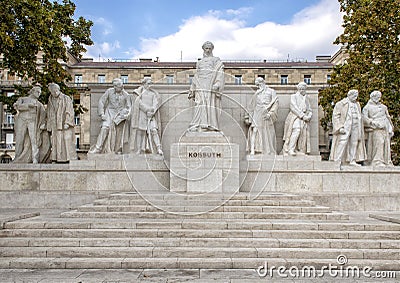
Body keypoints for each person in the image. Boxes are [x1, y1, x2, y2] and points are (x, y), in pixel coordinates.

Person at [188, 41, 224, 132]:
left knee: (210, 104)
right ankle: (197, 124)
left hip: (210, 83)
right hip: (200, 84)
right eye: (206, 48)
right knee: (199, 103)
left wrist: (217, 84)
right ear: (203, 49)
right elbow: (196, 75)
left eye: (209, 48)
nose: (208, 50)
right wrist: (192, 88)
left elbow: (220, 72)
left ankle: (210, 125)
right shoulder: (199, 62)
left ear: (212, 49)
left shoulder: (216, 60)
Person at [89, 78, 131, 154]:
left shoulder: (126, 95)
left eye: (116, 86)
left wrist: (126, 115)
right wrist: (102, 113)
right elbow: (101, 101)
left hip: (119, 115)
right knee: (104, 128)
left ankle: (117, 149)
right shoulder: (109, 91)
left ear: (121, 86)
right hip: (109, 113)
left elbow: (129, 107)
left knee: (119, 132)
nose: (114, 87)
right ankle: (98, 148)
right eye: (114, 86)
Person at [13, 86, 50, 163]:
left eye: (40, 93)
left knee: (34, 139)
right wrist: (28, 106)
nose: (39, 94)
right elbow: (17, 106)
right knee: (20, 139)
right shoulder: (22, 99)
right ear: (33, 91)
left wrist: (43, 123)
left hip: (32, 121)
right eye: (37, 92)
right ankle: (17, 157)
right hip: (22, 120)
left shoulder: (39, 104)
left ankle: (35, 158)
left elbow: (43, 114)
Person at [329, 89, 366, 166]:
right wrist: (339, 127)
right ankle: (337, 159)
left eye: (356, 96)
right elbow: (335, 116)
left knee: (354, 143)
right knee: (342, 142)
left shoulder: (357, 105)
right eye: (354, 96)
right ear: (349, 95)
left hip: (356, 126)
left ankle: (352, 160)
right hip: (345, 127)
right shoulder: (341, 103)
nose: (355, 98)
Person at [245, 77, 279, 155]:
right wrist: (247, 116)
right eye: (257, 85)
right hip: (257, 112)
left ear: (262, 83)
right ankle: (253, 149)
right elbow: (251, 105)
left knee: (266, 132)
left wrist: (270, 113)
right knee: (255, 130)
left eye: (258, 85)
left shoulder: (271, 91)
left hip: (266, 113)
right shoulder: (257, 93)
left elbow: (275, 103)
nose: (258, 87)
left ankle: (265, 149)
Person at [130, 77, 163, 155]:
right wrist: (147, 109)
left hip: (151, 116)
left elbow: (156, 103)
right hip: (141, 115)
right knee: (140, 132)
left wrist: (152, 111)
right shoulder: (139, 93)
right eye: (148, 84)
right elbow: (139, 103)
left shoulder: (153, 94)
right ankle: (139, 149)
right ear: (144, 84)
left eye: (151, 84)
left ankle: (158, 148)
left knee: (154, 131)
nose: (150, 85)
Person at [46, 83, 77, 163]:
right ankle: (55, 158)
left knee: (65, 141)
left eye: (53, 91)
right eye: (51, 92)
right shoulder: (50, 99)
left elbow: (69, 111)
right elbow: (48, 112)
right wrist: (48, 124)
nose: (53, 93)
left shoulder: (66, 98)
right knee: (55, 141)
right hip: (54, 124)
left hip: (63, 123)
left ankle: (67, 159)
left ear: (57, 90)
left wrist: (67, 122)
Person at [362, 90, 393, 166]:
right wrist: (373, 122)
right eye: (377, 97)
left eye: (379, 97)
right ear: (372, 97)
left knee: (386, 145)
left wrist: (390, 128)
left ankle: (386, 161)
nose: (379, 98)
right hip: (375, 129)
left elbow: (388, 117)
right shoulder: (367, 107)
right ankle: (377, 161)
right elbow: (364, 118)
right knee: (379, 143)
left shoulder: (383, 107)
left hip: (384, 129)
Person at [282, 82, 312, 156]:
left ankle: (300, 150)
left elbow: (310, 109)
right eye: (300, 89)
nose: (301, 90)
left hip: (304, 118)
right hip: (295, 117)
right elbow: (293, 107)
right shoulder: (294, 96)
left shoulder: (306, 98)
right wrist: (302, 116)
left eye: (303, 89)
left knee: (302, 134)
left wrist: (309, 116)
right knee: (296, 129)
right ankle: (290, 149)